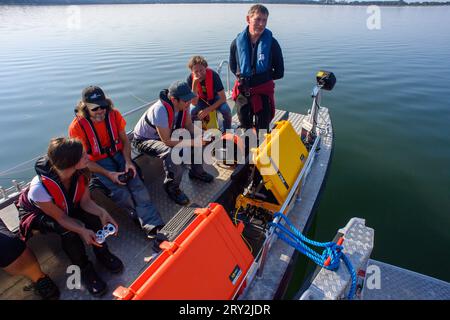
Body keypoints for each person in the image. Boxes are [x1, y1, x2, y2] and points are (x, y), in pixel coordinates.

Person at [16, 137, 123, 297]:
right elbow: (61, 218)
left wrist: (103, 213)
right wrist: (81, 230)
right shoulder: (39, 189)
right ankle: (85, 269)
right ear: (70, 162)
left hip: (67, 204)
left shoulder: (83, 172)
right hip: (41, 213)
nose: (87, 157)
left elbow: (85, 202)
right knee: (68, 232)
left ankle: (102, 252)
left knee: (93, 217)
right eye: (83, 155)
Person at [68, 86, 164, 238]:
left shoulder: (114, 115)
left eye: (103, 106)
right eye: (95, 108)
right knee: (122, 193)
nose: (101, 111)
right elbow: (84, 161)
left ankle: (153, 224)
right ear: (85, 108)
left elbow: (125, 140)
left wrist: (128, 162)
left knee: (137, 185)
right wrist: (109, 174)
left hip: (120, 155)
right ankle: (138, 219)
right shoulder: (77, 127)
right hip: (98, 164)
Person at [133, 81, 214, 206]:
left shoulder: (183, 106)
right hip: (145, 139)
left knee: (196, 135)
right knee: (171, 152)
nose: (188, 103)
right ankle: (172, 188)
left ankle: (197, 171)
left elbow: (188, 125)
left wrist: (203, 134)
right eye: (185, 100)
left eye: (189, 99)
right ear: (173, 100)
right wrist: (194, 142)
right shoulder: (160, 110)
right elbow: (167, 141)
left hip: (166, 134)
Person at [229, 4, 284, 131]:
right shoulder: (236, 43)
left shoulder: (272, 44)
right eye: (258, 19)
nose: (261, 24)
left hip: (263, 91)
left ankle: (262, 148)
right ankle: (249, 145)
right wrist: (244, 77)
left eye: (264, 20)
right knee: (244, 124)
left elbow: (280, 71)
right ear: (248, 19)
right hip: (243, 91)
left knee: (263, 127)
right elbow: (233, 67)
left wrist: (262, 77)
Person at [1, 217, 59, 300]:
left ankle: (41, 282)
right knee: (7, 244)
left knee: (6, 247)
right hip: (13, 245)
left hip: (8, 254)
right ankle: (42, 282)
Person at [186, 56, 232, 131]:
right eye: (196, 72)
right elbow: (194, 103)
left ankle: (228, 130)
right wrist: (194, 86)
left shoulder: (214, 76)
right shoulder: (190, 79)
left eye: (201, 70)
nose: (199, 74)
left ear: (206, 67)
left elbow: (223, 98)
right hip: (200, 100)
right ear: (192, 71)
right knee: (191, 112)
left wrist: (208, 109)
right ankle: (199, 132)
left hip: (214, 98)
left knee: (226, 110)